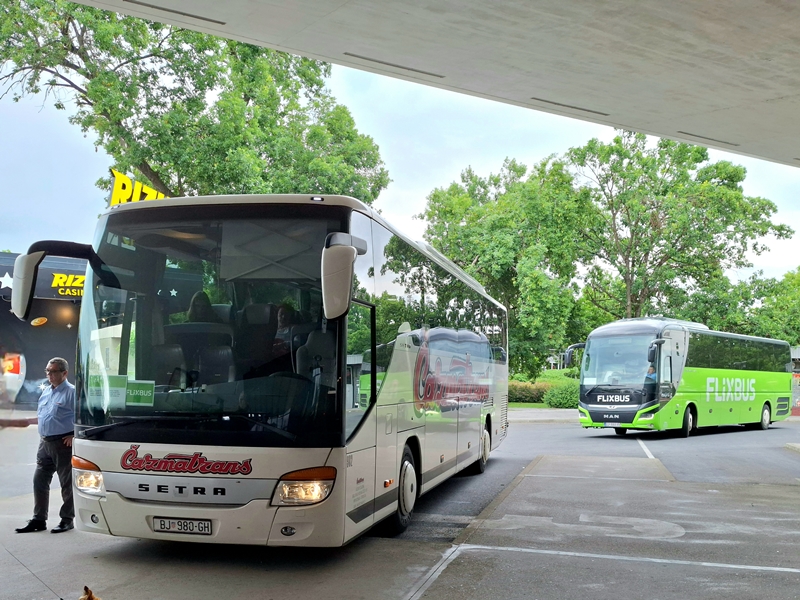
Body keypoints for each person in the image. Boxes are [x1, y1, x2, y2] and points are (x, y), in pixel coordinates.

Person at [15, 357, 76, 534]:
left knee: (66, 483)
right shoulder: (47, 392)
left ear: (64, 373)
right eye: (47, 371)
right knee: (39, 480)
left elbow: (86, 417)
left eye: (53, 371)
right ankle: (39, 519)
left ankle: (67, 520)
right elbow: (45, 415)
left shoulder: (72, 393)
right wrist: (29, 421)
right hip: (45, 442)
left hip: (63, 444)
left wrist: (74, 434)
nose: (49, 374)